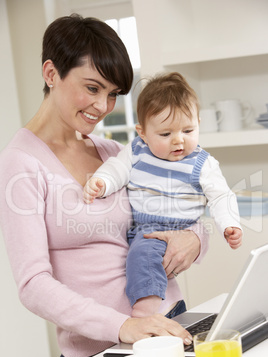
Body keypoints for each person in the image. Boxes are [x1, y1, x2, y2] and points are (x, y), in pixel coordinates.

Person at [0, 15, 208, 357]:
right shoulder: (20, 163)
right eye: (93, 88)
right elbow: (33, 284)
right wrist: (123, 326)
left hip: (169, 320)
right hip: (100, 351)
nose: (103, 107)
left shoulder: (113, 153)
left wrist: (195, 237)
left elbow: (174, 205)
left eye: (112, 94)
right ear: (51, 74)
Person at [84, 72, 242, 318]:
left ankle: (146, 306)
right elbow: (117, 168)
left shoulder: (201, 163)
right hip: (144, 226)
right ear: (143, 133)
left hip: (174, 227)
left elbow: (222, 196)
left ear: (198, 122)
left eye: (188, 130)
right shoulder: (136, 151)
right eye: (166, 134)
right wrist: (102, 182)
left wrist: (229, 224)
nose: (178, 141)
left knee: (143, 254)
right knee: (140, 255)